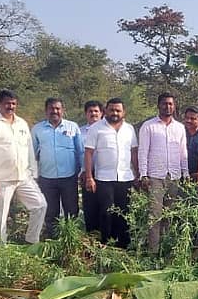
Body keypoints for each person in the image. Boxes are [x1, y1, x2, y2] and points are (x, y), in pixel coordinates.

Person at [0, 89, 47, 244]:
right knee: (0, 219)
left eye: (13, 103)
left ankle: (32, 241)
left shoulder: (21, 123)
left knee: (40, 205)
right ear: (0, 104)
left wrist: (33, 173)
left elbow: (29, 150)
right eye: (7, 103)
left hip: (24, 177)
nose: (10, 106)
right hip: (1, 179)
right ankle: (0, 251)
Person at [84, 98, 138, 248]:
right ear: (106, 111)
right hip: (103, 178)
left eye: (118, 110)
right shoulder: (96, 128)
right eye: (112, 110)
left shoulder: (129, 129)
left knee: (123, 212)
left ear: (123, 112)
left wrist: (138, 174)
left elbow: (133, 152)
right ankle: (106, 244)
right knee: (106, 212)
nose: (115, 113)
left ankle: (124, 245)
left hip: (125, 177)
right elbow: (88, 153)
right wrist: (89, 177)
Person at [139, 92, 188, 253]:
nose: (168, 106)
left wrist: (185, 173)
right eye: (165, 104)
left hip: (174, 176)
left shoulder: (180, 127)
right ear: (158, 105)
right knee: (155, 214)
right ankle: (153, 252)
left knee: (169, 214)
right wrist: (143, 174)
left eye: (170, 104)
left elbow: (183, 152)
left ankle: (165, 250)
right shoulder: (149, 126)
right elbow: (143, 151)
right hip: (155, 177)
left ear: (174, 106)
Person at [33, 97, 83, 238]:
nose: (54, 111)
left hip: (69, 176)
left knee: (71, 210)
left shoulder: (72, 127)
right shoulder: (37, 129)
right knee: (50, 211)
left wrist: (83, 171)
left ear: (63, 111)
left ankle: (72, 238)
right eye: (51, 108)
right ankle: (53, 239)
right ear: (46, 111)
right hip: (47, 178)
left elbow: (80, 151)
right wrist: (33, 175)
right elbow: (32, 153)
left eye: (57, 108)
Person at [80, 100, 104, 233]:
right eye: (90, 111)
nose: (93, 114)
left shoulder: (108, 130)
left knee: (105, 206)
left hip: (106, 173)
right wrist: (83, 172)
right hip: (88, 174)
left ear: (101, 113)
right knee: (90, 206)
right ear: (86, 114)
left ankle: (105, 237)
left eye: (96, 111)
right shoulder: (80, 132)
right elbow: (79, 153)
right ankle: (91, 236)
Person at [183, 106, 198, 181]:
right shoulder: (179, 133)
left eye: (192, 118)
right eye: (186, 118)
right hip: (180, 176)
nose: (188, 120)